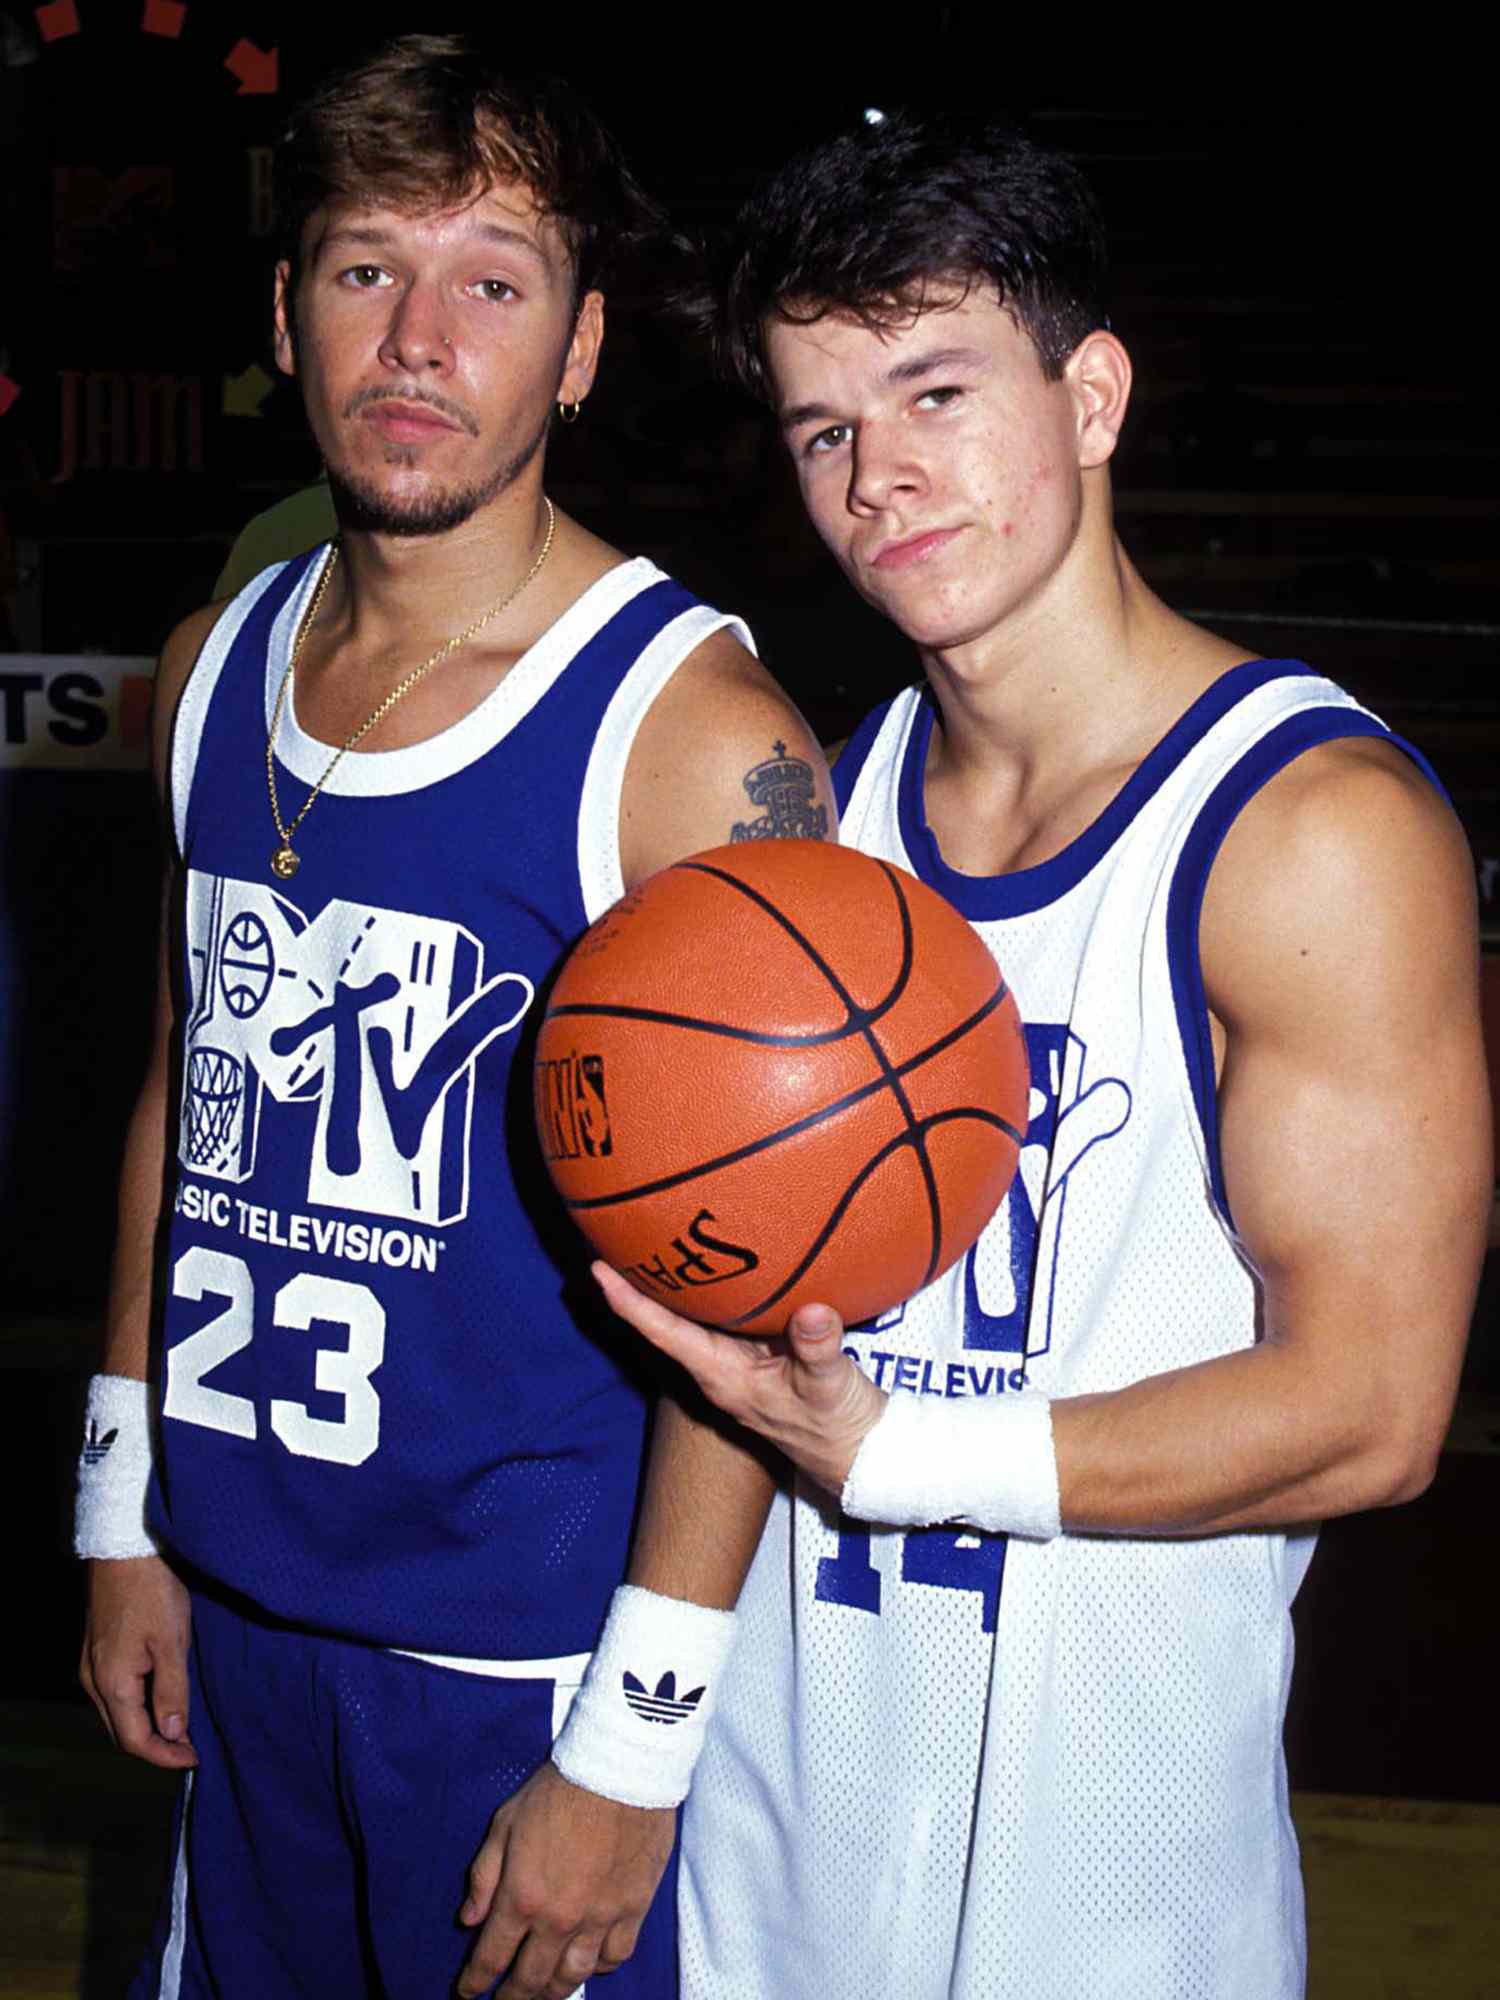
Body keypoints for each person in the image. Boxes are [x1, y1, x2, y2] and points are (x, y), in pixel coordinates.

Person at [593, 113, 1492, 1999]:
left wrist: (913, 1449)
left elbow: (1375, 1409)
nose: (880, 478)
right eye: (826, 426)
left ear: (1092, 395)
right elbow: (738, 1337)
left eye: (935, 391)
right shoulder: (827, 825)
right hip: (771, 1832)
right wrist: (636, 1738)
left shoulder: (1305, 830)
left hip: (1104, 1873)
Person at [73, 35, 832, 2000]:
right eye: (362, 270)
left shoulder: (690, 736)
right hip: (232, 1610)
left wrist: (638, 1736)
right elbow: (184, 1085)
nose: (418, 336)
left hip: (525, 1664)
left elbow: (775, 1267)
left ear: (577, 348)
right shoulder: (211, 662)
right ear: (286, 310)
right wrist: (123, 1502)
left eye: (492, 279)